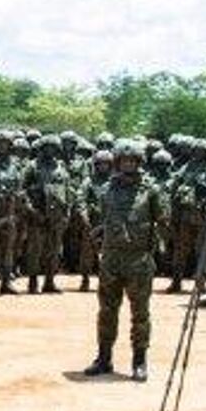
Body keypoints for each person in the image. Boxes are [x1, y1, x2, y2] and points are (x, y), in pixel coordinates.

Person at [83, 142, 164, 381]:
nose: (128, 164)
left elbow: (163, 218)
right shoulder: (107, 189)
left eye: (132, 160)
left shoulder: (151, 190)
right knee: (107, 311)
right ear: (117, 163)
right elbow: (103, 218)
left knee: (140, 313)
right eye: (124, 160)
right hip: (111, 259)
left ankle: (139, 361)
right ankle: (104, 358)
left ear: (139, 162)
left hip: (138, 259)